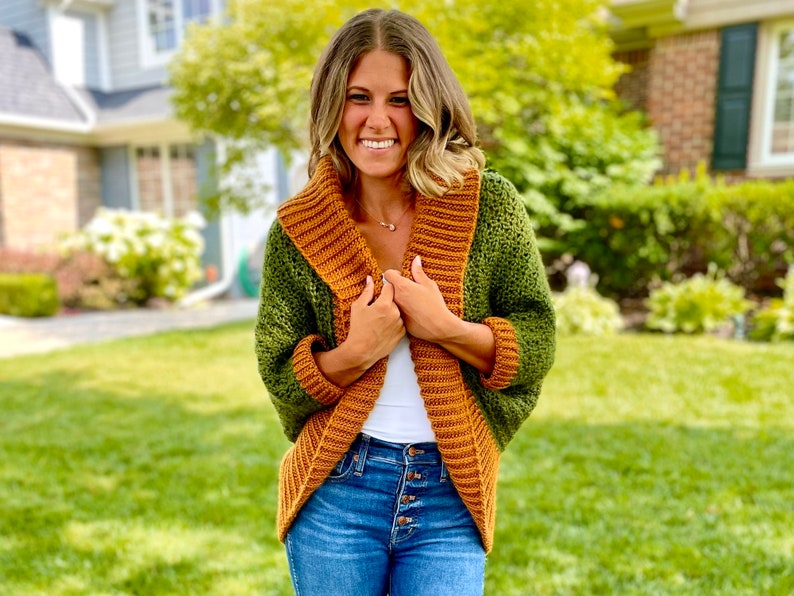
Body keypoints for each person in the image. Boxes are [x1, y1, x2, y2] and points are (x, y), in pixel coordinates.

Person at [255, 8, 556, 595]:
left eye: (399, 99)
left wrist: (445, 327)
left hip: (448, 494)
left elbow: (537, 338)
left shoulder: (486, 205)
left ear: (428, 108)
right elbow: (278, 374)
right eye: (357, 96)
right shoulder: (298, 229)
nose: (377, 119)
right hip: (339, 492)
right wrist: (356, 351)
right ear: (331, 107)